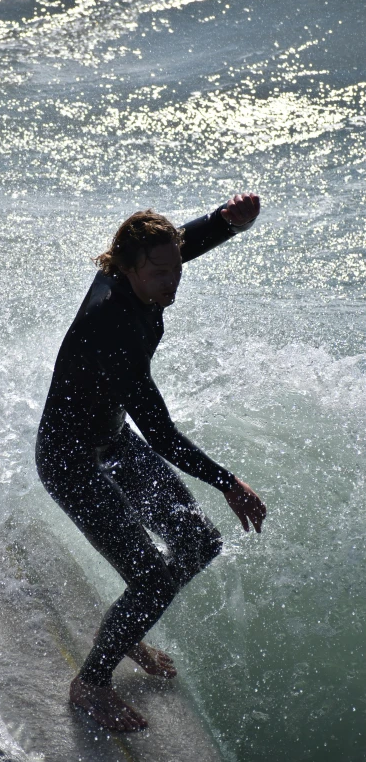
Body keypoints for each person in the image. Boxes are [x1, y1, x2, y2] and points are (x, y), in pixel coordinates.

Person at [36, 193, 266, 732]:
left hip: (110, 442)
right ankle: (90, 683)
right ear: (127, 268)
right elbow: (160, 431)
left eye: (176, 272)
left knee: (197, 543)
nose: (172, 283)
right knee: (152, 578)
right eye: (160, 274)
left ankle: (125, 625)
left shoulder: (142, 272)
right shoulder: (110, 328)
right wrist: (227, 482)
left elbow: (176, 248)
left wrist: (224, 223)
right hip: (70, 460)